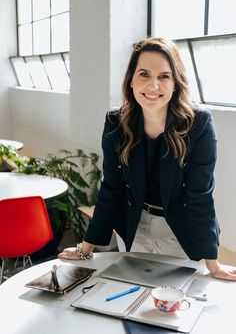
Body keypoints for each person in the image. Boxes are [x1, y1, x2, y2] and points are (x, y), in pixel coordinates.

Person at [58, 37, 236, 281]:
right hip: (134, 223)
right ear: (131, 80)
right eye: (144, 74)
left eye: (164, 76)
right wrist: (86, 247)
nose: (153, 85)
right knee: (131, 292)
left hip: (180, 229)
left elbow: (199, 195)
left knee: (173, 301)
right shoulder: (115, 123)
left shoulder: (198, 124)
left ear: (175, 83)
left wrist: (212, 263)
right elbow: (112, 188)